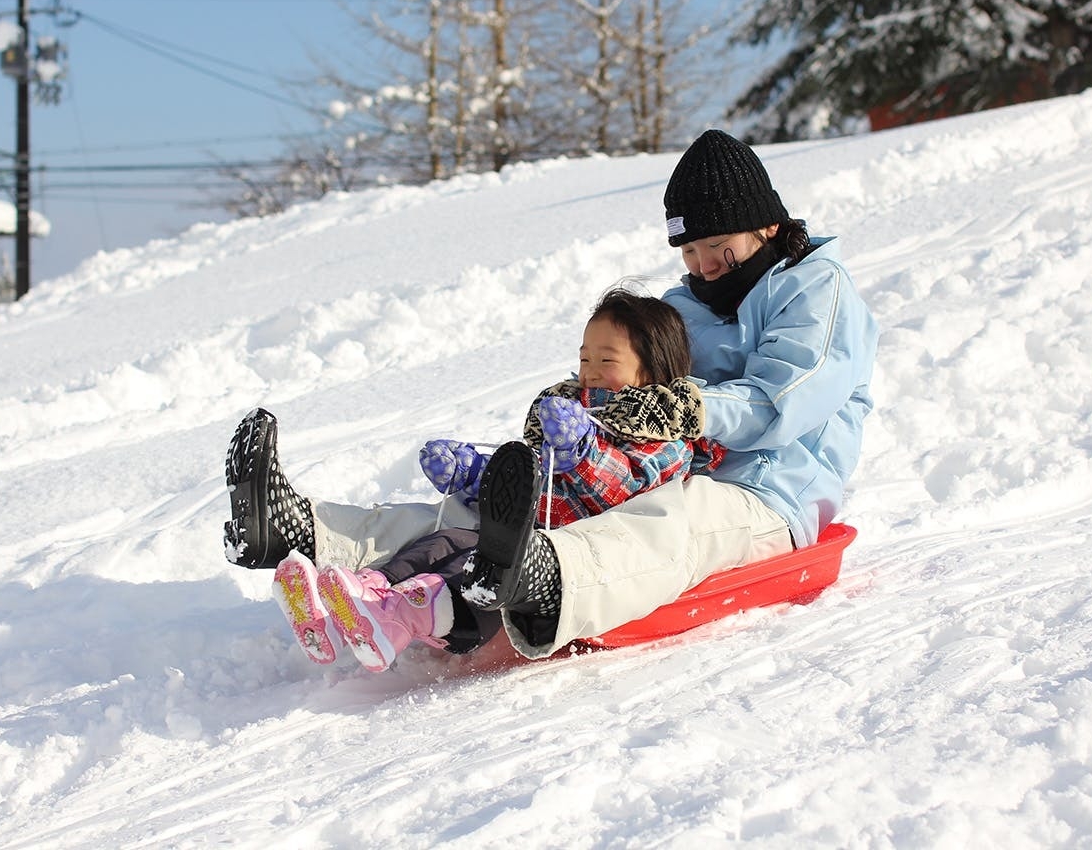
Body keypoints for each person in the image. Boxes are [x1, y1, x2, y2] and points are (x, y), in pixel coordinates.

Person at [225, 127, 878, 662]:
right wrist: (587, 402)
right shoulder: (685, 304)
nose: (703, 266)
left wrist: (686, 408)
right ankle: (311, 534)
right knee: (501, 510)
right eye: (689, 250)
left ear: (765, 227)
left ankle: (545, 578)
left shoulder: (815, 289)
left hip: (766, 493)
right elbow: (640, 372)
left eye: (718, 247)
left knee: (675, 522)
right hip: (656, 466)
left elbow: (784, 398)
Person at [260, 290, 723, 672]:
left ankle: (398, 617)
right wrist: (474, 474)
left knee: (474, 568)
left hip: (561, 557)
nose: (590, 372)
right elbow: (529, 481)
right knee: (444, 542)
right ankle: (352, 600)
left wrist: (583, 453)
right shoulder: (571, 414)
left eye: (607, 359)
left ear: (653, 372)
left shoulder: (667, 440)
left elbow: (626, 486)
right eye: (585, 358)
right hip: (523, 530)